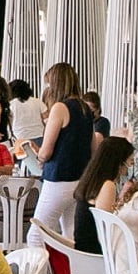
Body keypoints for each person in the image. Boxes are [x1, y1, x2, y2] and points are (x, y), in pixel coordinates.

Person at [29, 63, 95, 233]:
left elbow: (46, 151)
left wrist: (39, 157)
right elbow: (93, 147)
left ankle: (40, 261)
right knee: (70, 234)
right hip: (80, 177)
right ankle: (69, 261)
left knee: (37, 233)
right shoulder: (85, 107)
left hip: (58, 178)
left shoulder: (60, 108)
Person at [69, 135, 137, 256]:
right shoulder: (107, 185)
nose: (130, 169)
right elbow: (106, 228)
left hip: (83, 248)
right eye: (130, 162)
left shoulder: (92, 181)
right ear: (119, 162)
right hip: (94, 253)